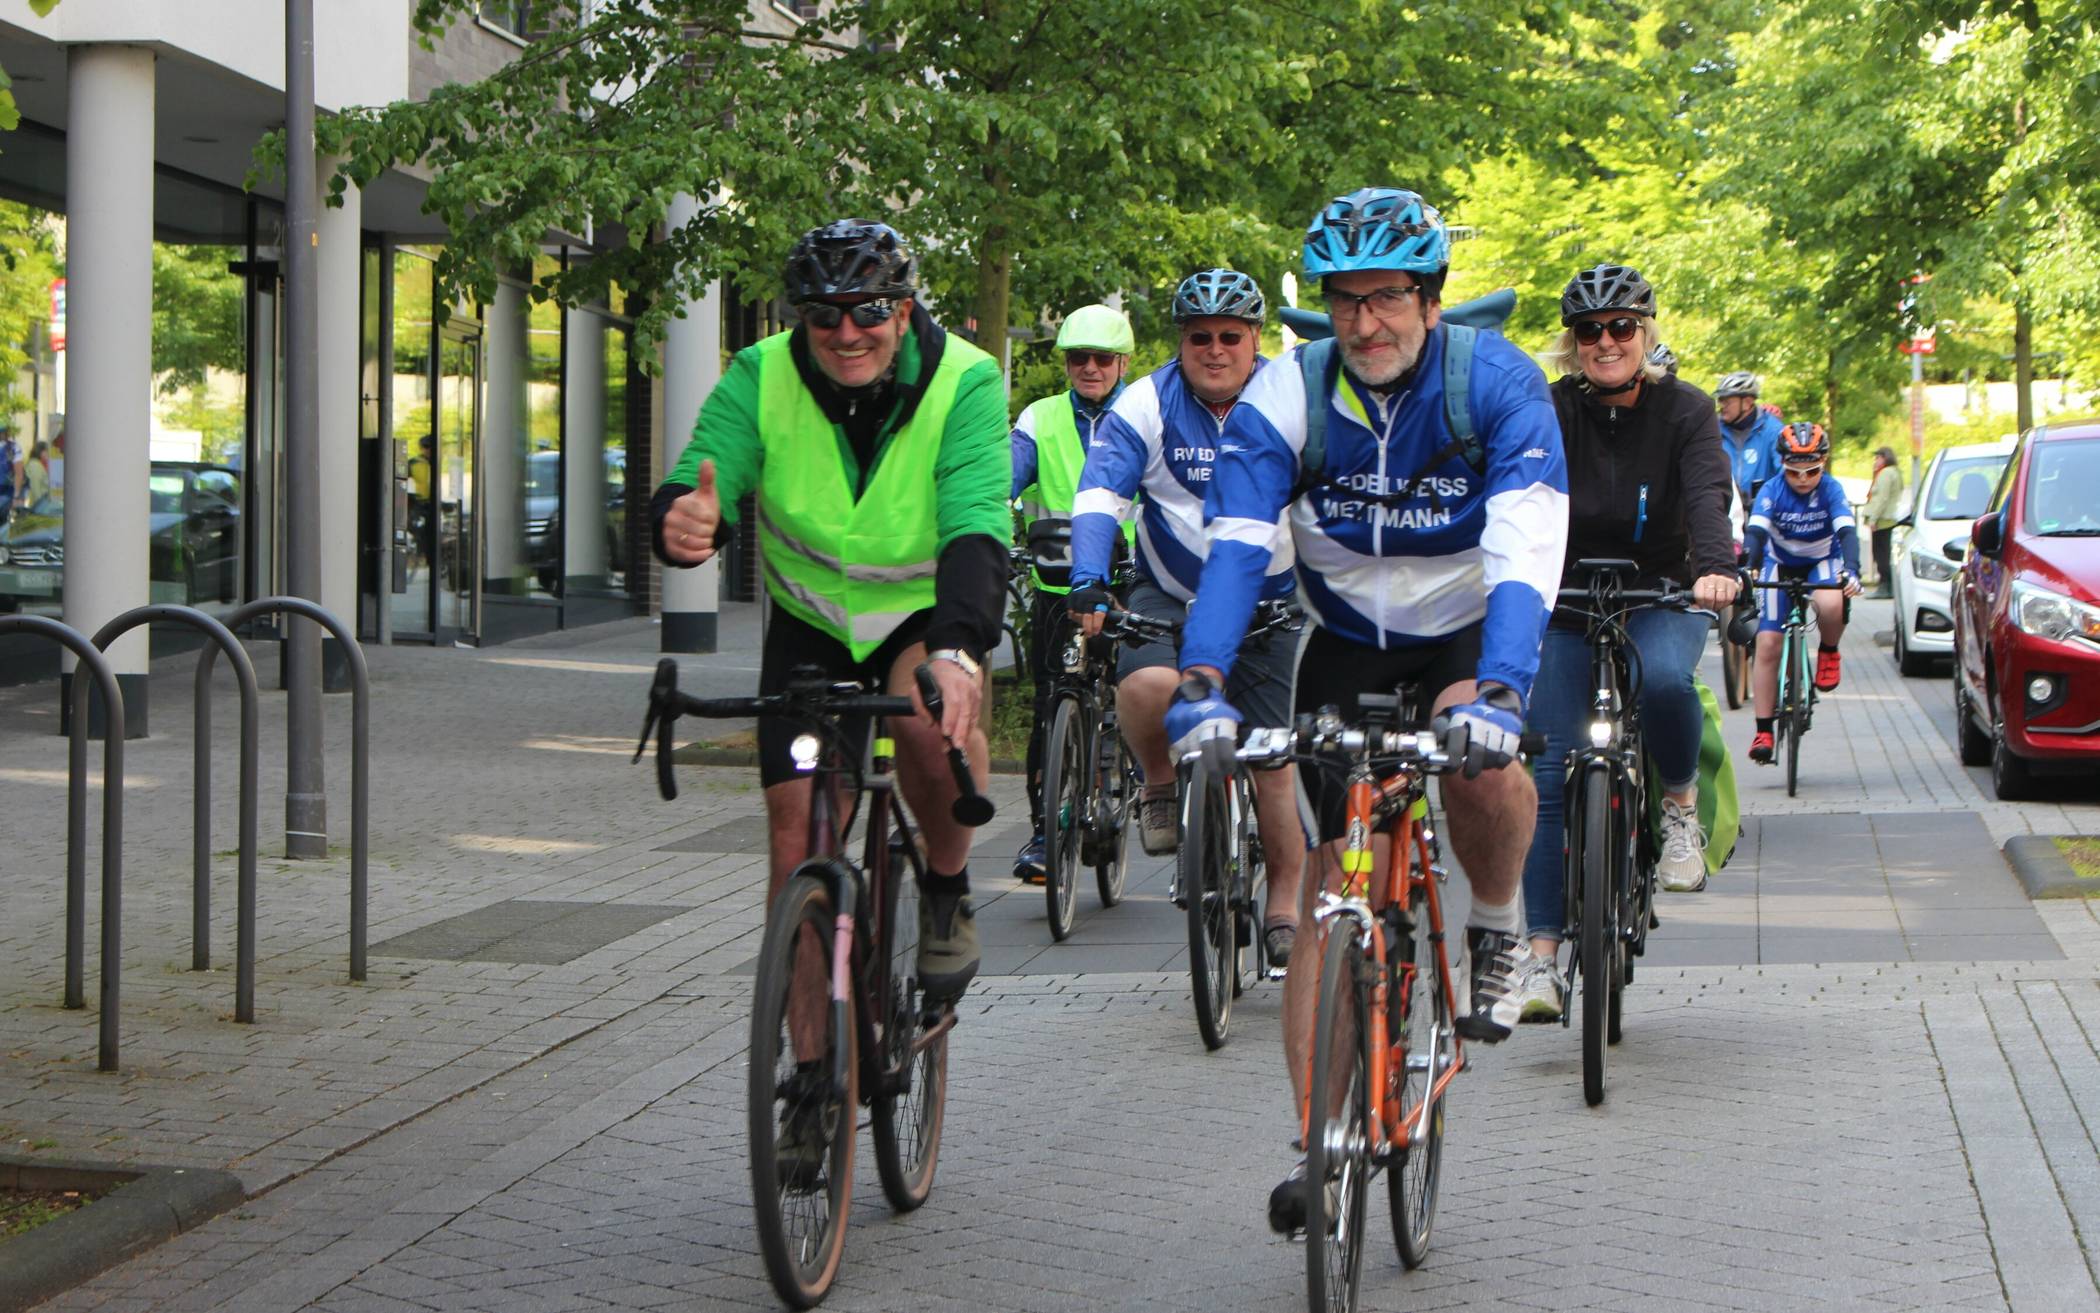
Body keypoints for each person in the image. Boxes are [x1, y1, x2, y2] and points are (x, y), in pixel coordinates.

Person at [1166, 187, 1568, 1229]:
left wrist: (1508, 689)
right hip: (1342, 637)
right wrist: (1203, 680)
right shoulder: (1287, 394)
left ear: (1432, 300)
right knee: (1331, 897)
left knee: (1486, 762)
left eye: (1387, 297)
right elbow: (1238, 546)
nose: (1365, 323)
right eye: (1345, 301)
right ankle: (1319, 1138)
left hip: (1469, 625)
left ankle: (1492, 917)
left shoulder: (1500, 386)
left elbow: (1527, 548)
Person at [652, 218, 1009, 1006]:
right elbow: (704, 470)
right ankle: (813, 1091)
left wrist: (958, 649)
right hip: (811, 624)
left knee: (926, 717)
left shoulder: (967, 380)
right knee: (795, 847)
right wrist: (684, 520)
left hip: (922, 615)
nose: (847, 333)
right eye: (824, 315)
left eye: (869, 311)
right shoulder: (760, 373)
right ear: (799, 319)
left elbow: (977, 524)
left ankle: (946, 888)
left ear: (905, 312)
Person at [1509, 264, 1738, 1023]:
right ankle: (1540, 960)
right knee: (1544, 768)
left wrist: (1715, 570)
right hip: (1566, 598)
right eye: (1589, 331)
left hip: (1662, 591)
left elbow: (1708, 494)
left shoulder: (1688, 411)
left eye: (1621, 327)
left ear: (1647, 333)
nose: (1606, 342)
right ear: (1572, 345)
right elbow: (1511, 495)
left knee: (1670, 680)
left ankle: (1677, 807)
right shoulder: (1546, 411)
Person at [1065, 270, 1308, 965]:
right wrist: (1087, 577)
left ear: (1254, 339)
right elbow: (1100, 493)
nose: (1215, 349)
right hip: (1169, 592)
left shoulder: (1286, 397)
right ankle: (1163, 787)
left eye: (1231, 336)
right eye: (1199, 337)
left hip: (1269, 597)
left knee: (1273, 761)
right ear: (1181, 341)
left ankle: (1284, 899)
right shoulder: (1146, 401)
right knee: (1143, 687)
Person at [1010, 304, 1135, 883]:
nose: (1089, 368)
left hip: (1127, 586)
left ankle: (1124, 783)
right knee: (1049, 708)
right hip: (1057, 589)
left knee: (1129, 695)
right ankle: (1044, 832)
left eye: (1101, 358)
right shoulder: (1040, 419)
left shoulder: (1141, 415)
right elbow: (1005, 475)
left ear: (1122, 363)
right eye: (1078, 357)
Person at [1744, 420, 1861, 764]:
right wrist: (1748, 567)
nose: (1803, 480)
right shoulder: (1771, 489)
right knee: (1767, 644)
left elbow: (1847, 532)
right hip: (1779, 562)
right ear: (1783, 466)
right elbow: (1755, 533)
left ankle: (1829, 650)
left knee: (1829, 601)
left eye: (1811, 471)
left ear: (1822, 465)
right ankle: (1763, 729)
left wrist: (1852, 569)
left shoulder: (1831, 489)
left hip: (1822, 559)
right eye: (1794, 473)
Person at [1715, 371, 1782, 506]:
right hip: (1724, 511)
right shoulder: (1713, 430)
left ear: (1747, 402)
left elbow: (1785, 472)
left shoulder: (1773, 430)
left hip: (1762, 510)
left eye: (1727, 401)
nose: (1722, 406)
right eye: (1720, 400)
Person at [1863, 445, 1905, 598]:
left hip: (1882, 519)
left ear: (1885, 458)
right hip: (1889, 517)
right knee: (1884, 553)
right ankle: (1888, 586)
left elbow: (1882, 498)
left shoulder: (1886, 473)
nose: (1876, 461)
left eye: (1878, 457)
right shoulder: (1895, 472)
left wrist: (1873, 518)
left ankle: (1884, 586)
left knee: (1880, 554)